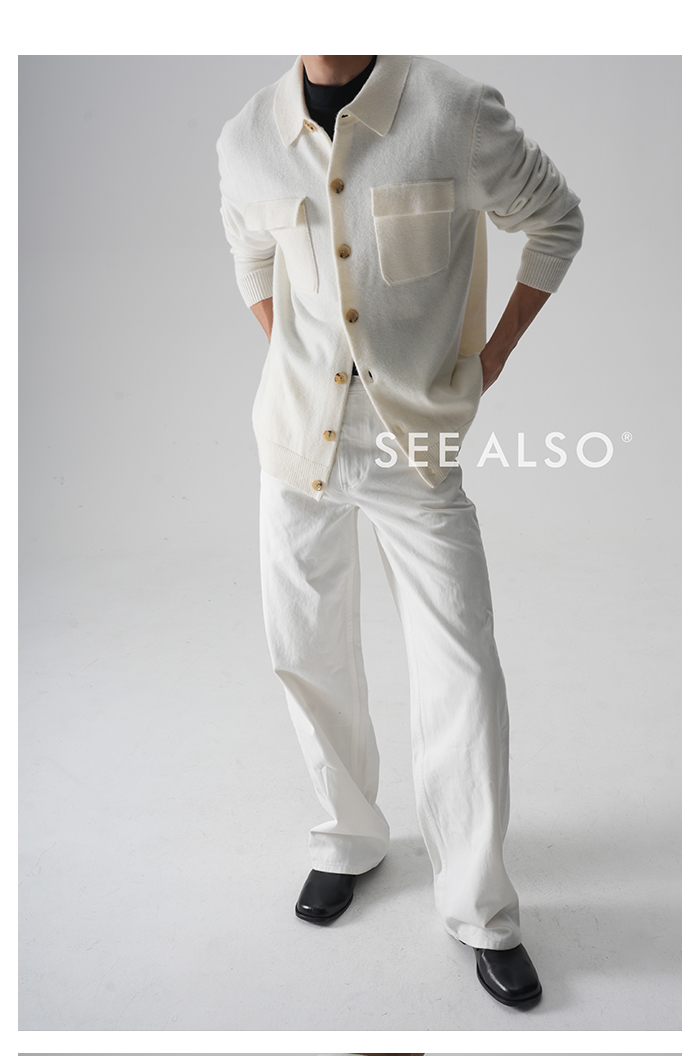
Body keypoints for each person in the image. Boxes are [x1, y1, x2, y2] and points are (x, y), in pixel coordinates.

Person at [217, 54, 583, 1007]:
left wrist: (490, 362)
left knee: (463, 670)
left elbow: (557, 220)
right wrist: (301, 368)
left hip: (414, 451)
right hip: (293, 448)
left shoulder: (454, 111)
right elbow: (249, 252)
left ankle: (480, 907)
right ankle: (347, 838)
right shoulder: (246, 138)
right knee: (305, 651)